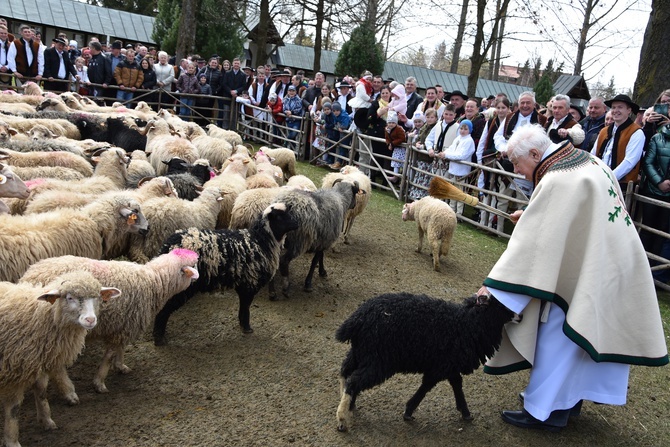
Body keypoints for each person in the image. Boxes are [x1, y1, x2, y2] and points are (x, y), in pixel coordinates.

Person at [479, 124, 668, 432]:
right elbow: (573, 218)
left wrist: (493, 287)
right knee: (580, 337)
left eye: (517, 164)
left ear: (537, 154)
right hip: (609, 264)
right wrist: (531, 213)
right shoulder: (585, 160)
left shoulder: (557, 179)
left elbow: (535, 244)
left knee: (560, 335)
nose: (518, 171)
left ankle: (545, 411)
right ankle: (568, 402)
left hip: (587, 273)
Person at [592, 94, 645, 187]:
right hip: (598, 181)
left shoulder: (636, 132)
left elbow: (629, 162)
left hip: (621, 184)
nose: (616, 111)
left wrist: (609, 178)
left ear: (629, 110)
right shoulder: (604, 131)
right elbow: (593, 155)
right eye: (613, 107)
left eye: (620, 107)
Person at [639, 122, 670, 282]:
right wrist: (659, 182)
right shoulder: (657, 138)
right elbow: (648, 162)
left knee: (663, 233)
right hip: (653, 191)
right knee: (647, 229)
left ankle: (654, 273)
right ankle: (639, 267)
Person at [442, 119, 476, 215]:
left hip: (462, 171)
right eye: (461, 128)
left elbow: (462, 155)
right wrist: (445, 153)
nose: (462, 131)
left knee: (460, 192)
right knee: (452, 190)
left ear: (469, 130)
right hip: (453, 169)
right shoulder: (458, 139)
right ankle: (451, 209)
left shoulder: (469, 141)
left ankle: (459, 213)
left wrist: (447, 155)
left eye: (465, 129)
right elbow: (451, 149)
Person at [407, 108, 438, 200]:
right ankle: (414, 194)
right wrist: (416, 143)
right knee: (419, 175)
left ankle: (422, 197)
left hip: (428, 158)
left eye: (432, 117)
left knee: (426, 177)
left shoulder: (436, 128)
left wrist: (424, 147)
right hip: (420, 157)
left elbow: (433, 142)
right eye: (428, 117)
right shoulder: (424, 127)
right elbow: (419, 137)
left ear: (436, 118)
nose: (429, 119)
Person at [220, 58, 246, 129]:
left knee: (235, 115)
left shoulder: (243, 75)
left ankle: (233, 130)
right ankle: (224, 129)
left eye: (238, 63)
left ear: (240, 65)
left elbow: (243, 86)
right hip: (227, 96)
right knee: (226, 114)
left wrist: (236, 91)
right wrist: (230, 91)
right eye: (235, 63)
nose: (236, 65)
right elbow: (224, 84)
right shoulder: (227, 73)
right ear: (232, 64)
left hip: (236, 98)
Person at [385, 111, 406, 183]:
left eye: (393, 123)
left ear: (396, 123)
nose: (391, 124)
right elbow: (387, 138)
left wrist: (392, 143)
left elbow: (402, 138)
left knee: (402, 162)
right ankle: (395, 176)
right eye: (389, 122)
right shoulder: (387, 129)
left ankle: (403, 177)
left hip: (402, 148)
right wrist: (388, 144)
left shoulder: (399, 129)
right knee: (395, 161)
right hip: (396, 148)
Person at [330, 101, 351, 170]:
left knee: (344, 146)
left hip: (347, 133)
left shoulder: (344, 115)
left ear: (340, 110)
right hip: (341, 132)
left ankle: (340, 162)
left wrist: (341, 127)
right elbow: (335, 123)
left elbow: (345, 125)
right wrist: (338, 126)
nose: (336, 112)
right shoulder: (335, 115)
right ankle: (341, 162)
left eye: (337, 110)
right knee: (341, 146)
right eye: (334, 111)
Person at [283, 84, 304, 150]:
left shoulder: (298, 99)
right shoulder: (285, 99)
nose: (291, 92)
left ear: (296, 92)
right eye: (290, 91)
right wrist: (286, 112)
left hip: (296, 120)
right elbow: (283, 108)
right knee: (291, 134)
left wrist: (292, 112)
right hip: (288, 119)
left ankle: (286, 141)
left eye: (293, 91)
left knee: (294, 133)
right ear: (287, 92)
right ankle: (292, 150)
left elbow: (299, 108)